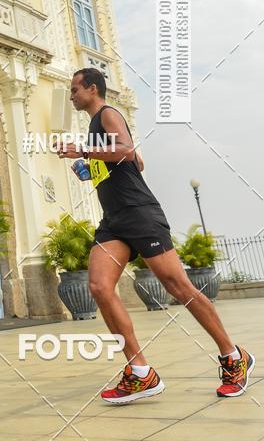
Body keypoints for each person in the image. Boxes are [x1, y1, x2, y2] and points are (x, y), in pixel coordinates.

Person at [58, 67, 255, 404]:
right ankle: (140, 373)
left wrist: (84, 151)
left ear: (92, 88)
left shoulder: (107, 114)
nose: (72, 95)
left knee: (179, 287)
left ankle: (233, 356)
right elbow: (137, 161)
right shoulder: (95, 127)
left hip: (140, 214)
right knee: (100, 287)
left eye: (75, 89)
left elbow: (125, 148)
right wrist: (91, 167)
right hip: (114, 221)